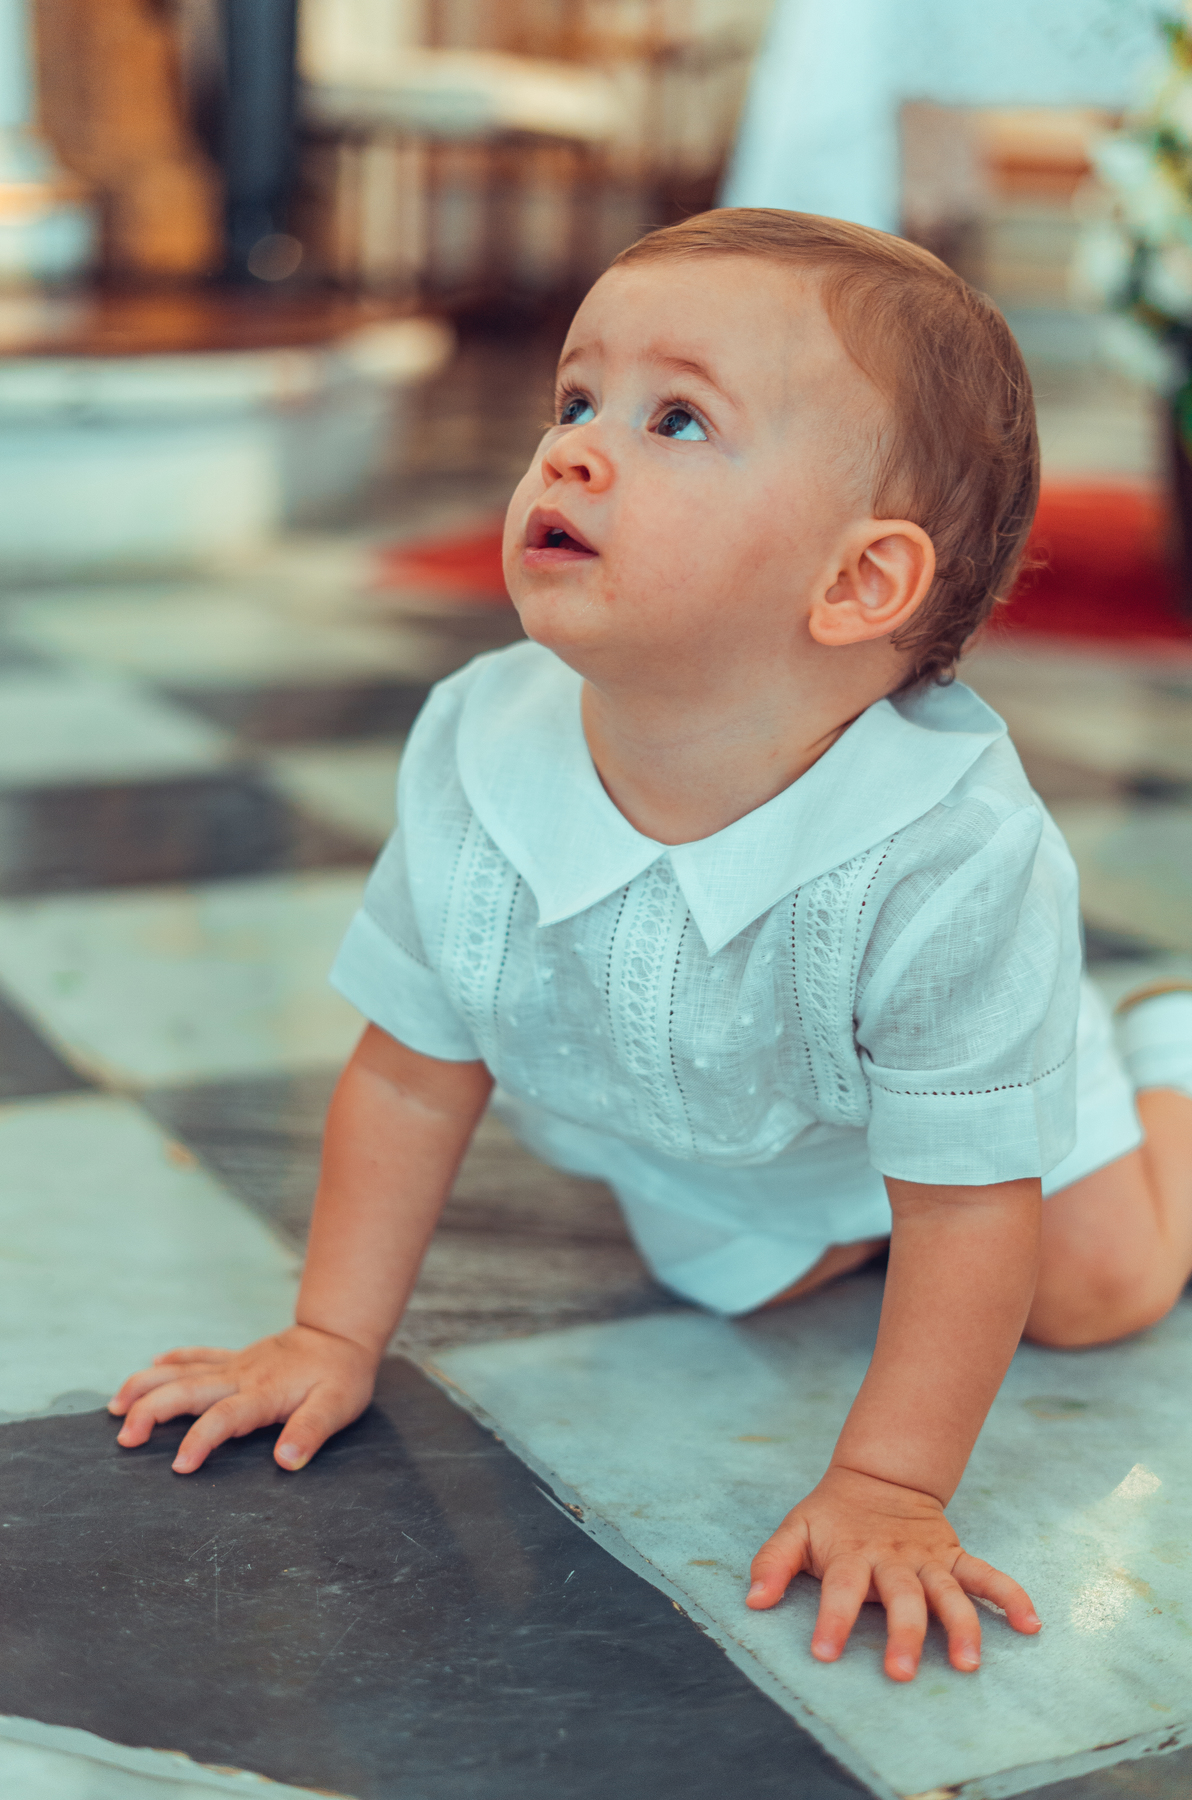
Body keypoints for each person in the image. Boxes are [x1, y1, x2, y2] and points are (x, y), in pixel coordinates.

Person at [110, 209, 1192, 1684]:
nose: (573, 449)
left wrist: (889, 1482)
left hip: (969, 1117)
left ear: (860, 585)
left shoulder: (950, 856)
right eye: (575, 398)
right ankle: (833, 1210)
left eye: (677, 418)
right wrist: (328, 1334)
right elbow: (416, 1075)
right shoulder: (479, 752)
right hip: (730, 1120)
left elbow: (963, 1207)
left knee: (1093, 1292)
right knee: (734, 1279)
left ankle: (1163, 1052)